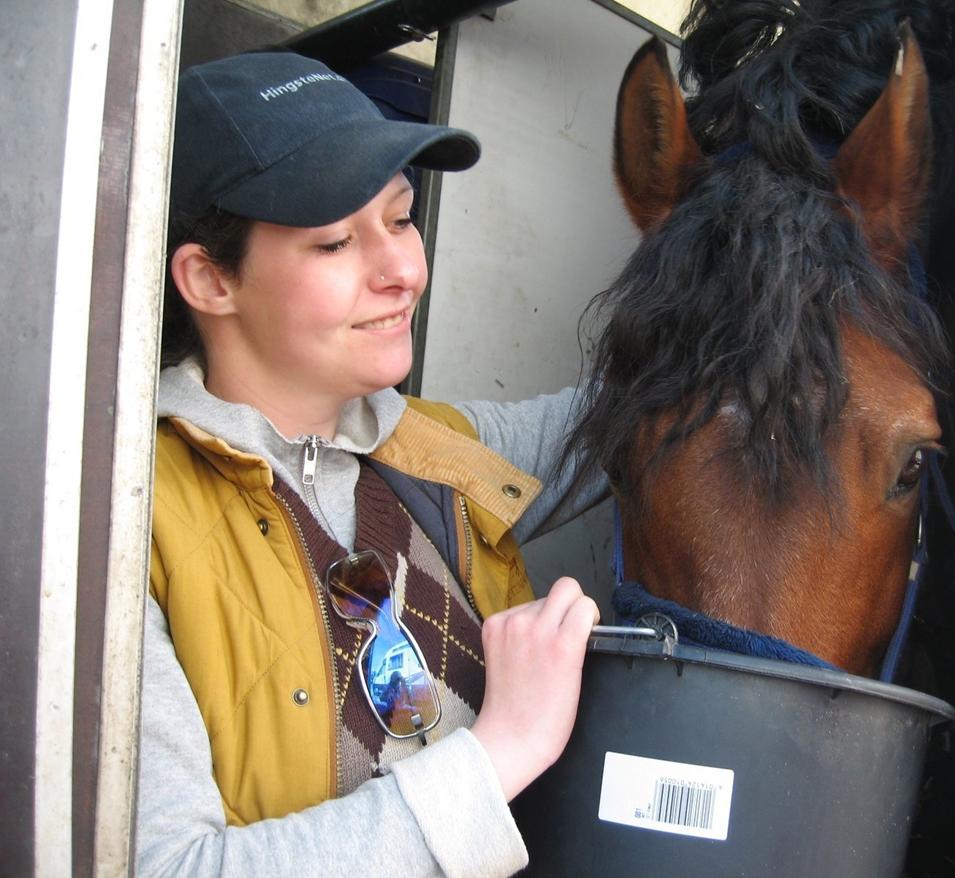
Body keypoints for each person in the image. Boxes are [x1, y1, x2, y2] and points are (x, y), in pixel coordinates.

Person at [137, 50, 606, 876]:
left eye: (399, 218)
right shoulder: (124, 517)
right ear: (209, 279)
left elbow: (658, 407)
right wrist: (502, 751)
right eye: (334, 244)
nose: (401, 272)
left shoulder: (440, 453)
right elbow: (169, 866)